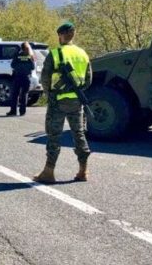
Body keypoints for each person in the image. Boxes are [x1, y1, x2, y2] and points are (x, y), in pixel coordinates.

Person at [33, 21, 92, 183]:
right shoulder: (82, 54)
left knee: (54, 136)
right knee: (78, 134)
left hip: (57, 101)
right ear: (73, 35)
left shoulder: (56, 54)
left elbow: (45, 78)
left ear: (60, 35)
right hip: (76, 101)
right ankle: (83, 171)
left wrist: (49, 94)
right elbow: (88, 80)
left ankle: (49, 171)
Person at [6, 42, 35, 116]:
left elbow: (12, 65)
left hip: (17, 76)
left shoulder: (17, 55)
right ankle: (22, 111)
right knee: (24, 94)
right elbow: (33, 67)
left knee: (15, 94)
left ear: (21, 48)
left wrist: (19, 68)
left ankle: (13, 111)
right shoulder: (30, 56)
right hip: (26, 77)